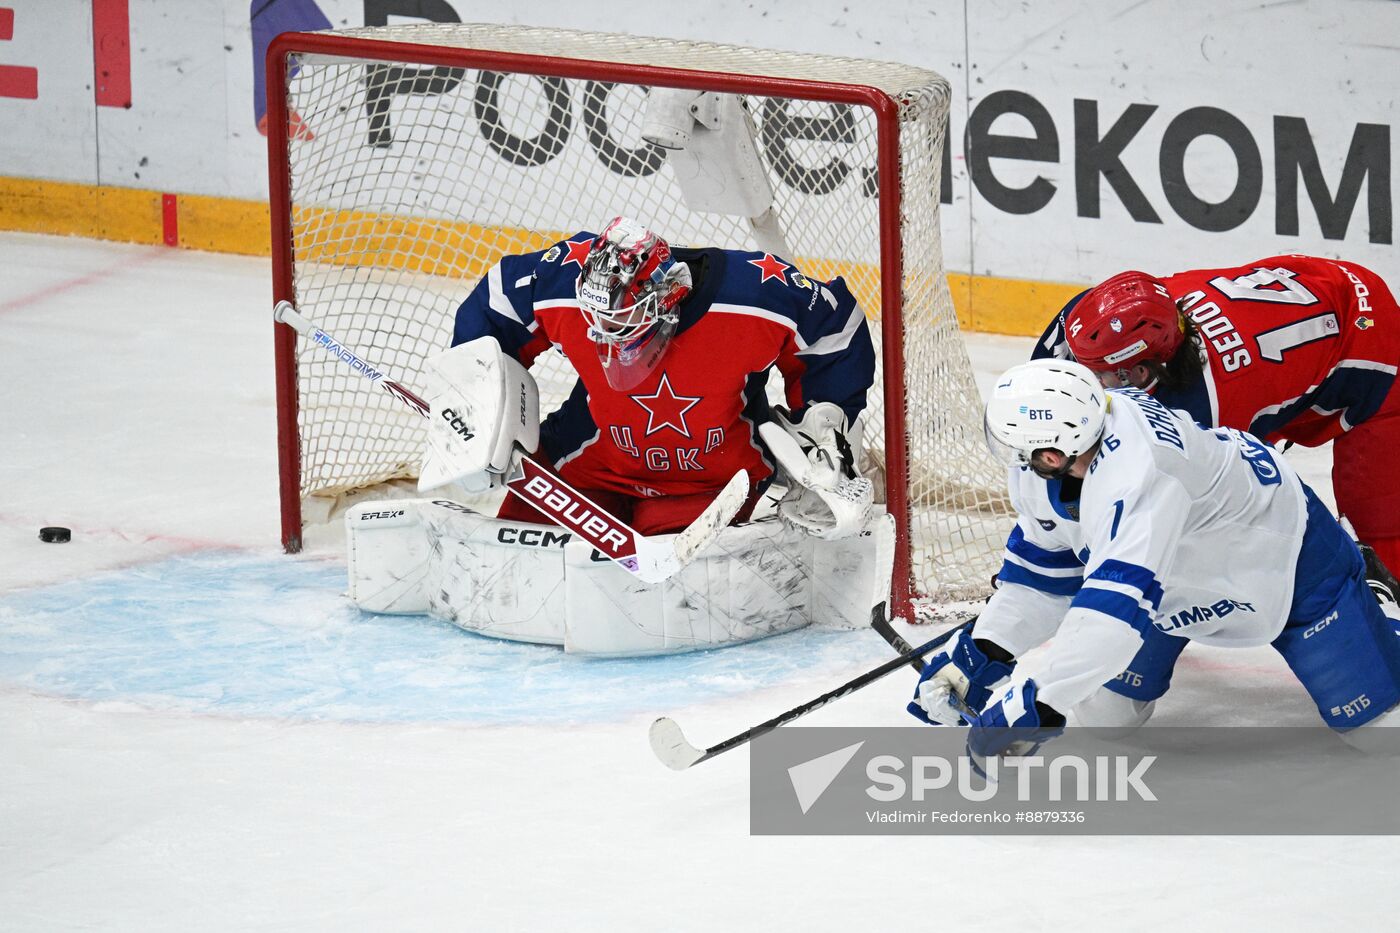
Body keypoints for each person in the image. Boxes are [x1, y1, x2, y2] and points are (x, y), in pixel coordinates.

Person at [907, 358, 1400, 759]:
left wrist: (1039, 698)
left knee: (1379, 733)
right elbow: (1045, 576)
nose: (1012, 457)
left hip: (1287, 557)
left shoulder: (1142, 477)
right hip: (1168, 581)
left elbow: (1110, 619)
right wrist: (984, 652)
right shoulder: (1060, 454)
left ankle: (1376, 604)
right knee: (1105, 720)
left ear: (1054, 454)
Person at [444, 215, 877, 538]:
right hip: (587, 466)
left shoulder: (755, 295)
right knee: (515, 552)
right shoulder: (563, 280)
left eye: (623, 322)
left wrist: (826, 430)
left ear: (667, 297)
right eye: (600, 323)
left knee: (672, 580)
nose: (610, 337)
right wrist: (476, 414)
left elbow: (836, 331)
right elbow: (496, 302)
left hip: (714, 482)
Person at [1030, 255, 1400, 588]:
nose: (1082, 376)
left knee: (1383, 539)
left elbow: (1188, 521)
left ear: (1139, 373)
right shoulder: (1123, 316)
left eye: (1097, 373)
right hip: (1313, 285)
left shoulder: (1203, 413)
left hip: (1371, 342)